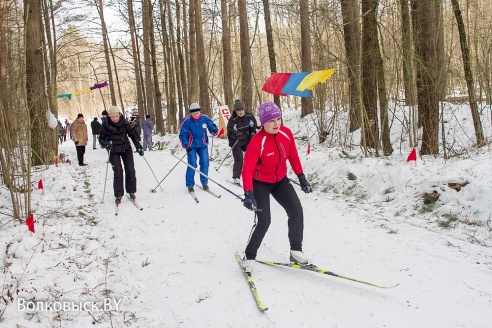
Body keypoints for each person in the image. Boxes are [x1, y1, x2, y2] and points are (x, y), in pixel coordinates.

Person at [240, 102, 313, 274]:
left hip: (280, 180)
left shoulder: (286, 134)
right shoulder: (257, 142)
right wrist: (248, 193)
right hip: (260, 183)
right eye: (271, 120)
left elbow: (293, 156)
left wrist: (301, 177)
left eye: (278, 118)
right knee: (264, 221)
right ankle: (249, 256)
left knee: (296, 210)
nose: (276, 123)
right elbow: (247, 169)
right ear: (263, 123)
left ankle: (295, 251)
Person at [99, 106, 144, 204]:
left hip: (126, 148)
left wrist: (138, 146)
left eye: (116, 116)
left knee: (130, 170)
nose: (115, 118)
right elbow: (101, 139)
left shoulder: (124, 123)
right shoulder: (105, 125)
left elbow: (132, 135)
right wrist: (106, 144)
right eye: (112, 117)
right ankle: (118, 194)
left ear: (119, 115)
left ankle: (131, 191)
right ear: (109, 117)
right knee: (118, 171)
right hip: (114, 150)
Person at [178, 102, 218, 192]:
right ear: (191, 113)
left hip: (203, 145)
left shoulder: (204, 118)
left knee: (205, 163)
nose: (196, 115)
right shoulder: (186, 120)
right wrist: (186, 145)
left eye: (197, 113)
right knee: (192, 164)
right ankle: (190, 184)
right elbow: (183, 134)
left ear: (199, 112)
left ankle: (204, 182)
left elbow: (211, 125)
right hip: (191, 146)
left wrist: (213, 129)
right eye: (193, 114)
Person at [227, 99, 257, 184]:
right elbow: (230, 129)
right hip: (236, 141)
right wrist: (236, 134)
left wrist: (253, 133)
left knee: (251, 156)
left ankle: (253, 173)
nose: (241, 112)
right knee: (239, 158)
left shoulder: (249, 116)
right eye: (238, 111)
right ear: (235, 111)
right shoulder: (233, 119)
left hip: (246, 139)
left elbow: (253, 126)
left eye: (242, 110)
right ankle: (236, 177)